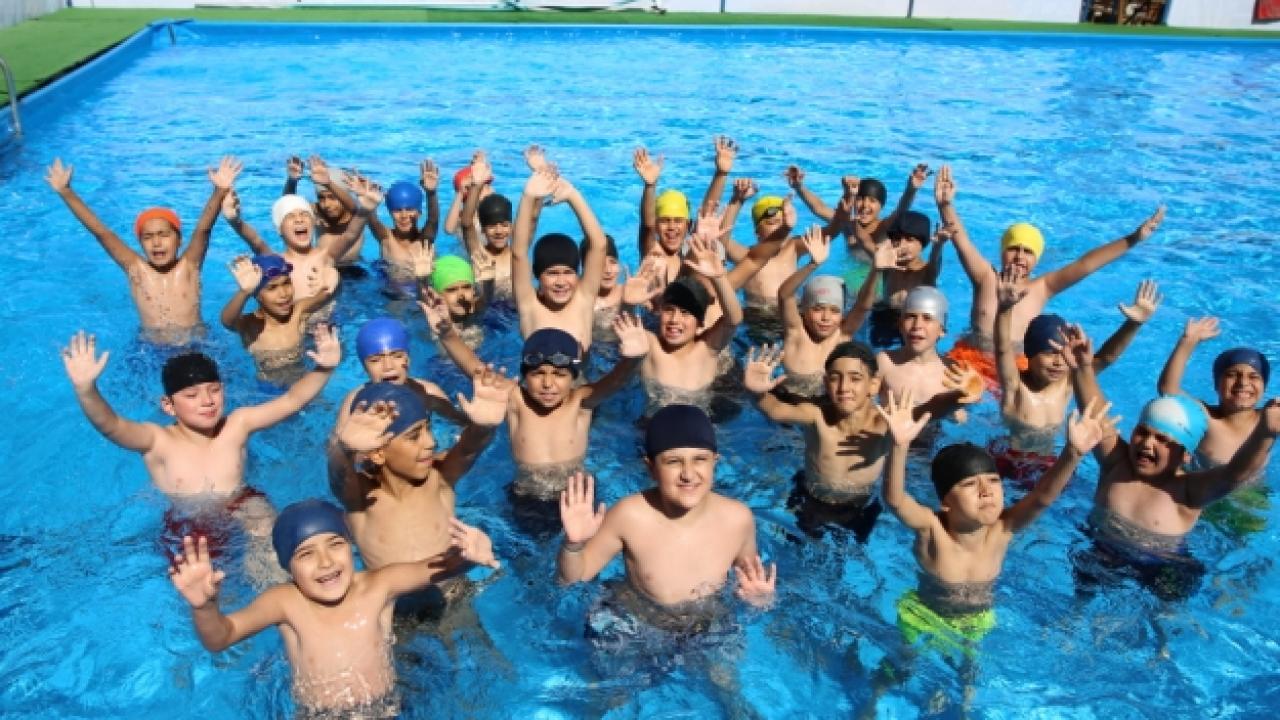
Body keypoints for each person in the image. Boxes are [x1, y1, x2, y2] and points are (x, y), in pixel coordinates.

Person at [167, 500, 497, 716]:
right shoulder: (285, 602)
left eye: (335, 545)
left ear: (351, 547)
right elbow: (221, 638)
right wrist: (205, 607)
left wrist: (467, 557)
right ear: (288, 566)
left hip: (386, 710)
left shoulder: (378, 585)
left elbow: (437, 567)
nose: (326, 562)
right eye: (306, 554)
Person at [61, 327, 340, 579]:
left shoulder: (237, 424)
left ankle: (273, 585)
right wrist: (86, 390)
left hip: (241, 503)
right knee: (202, 586)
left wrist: (324, 369)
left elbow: (291, 400)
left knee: (264, 522)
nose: (207, 401)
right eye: (191, 396)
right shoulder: (157, 441)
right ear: (168, 405)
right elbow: (111, 425)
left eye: (214, 391)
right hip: (186, 521)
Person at [877, 388, 1113, 655]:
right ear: (945, 501)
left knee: (970, 668)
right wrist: (898, 446)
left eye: (992, 481)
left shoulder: (1002, 530)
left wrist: (1072, 453)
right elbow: (895, 500)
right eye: (969, 484)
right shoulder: (932, 530)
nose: (985, 491)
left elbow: (1041, 497)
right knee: (902, 664)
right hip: (923, 614)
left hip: (976, 619)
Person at [1063, 326, 1280, 599]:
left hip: (1164, 564)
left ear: (1186, 455)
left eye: (1163, 440)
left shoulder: (1188, 491)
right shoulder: (1116, 463)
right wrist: (1082, 369)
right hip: (1104, 549)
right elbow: (1096, 414)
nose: (1147, 444)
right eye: (1143, 432)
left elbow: (1234, 475)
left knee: (1168, 605)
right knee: (1083, 590)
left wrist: (1265, 434)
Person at [421, 299, 651, 531]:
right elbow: (476, 370)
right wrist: (447, 334)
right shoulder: (516, 400)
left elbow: (615, 382)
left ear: (573, 377)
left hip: (574, 495)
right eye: (538, 373)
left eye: (559, 374)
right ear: (524, 376)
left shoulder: (580, 403)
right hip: (527, 496)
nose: (548, 383)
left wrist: (633, 359)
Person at [935, 163, 1165, 380]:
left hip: (1015, 366)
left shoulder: (1042, 288)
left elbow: (1086, 265)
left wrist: (1132, 239)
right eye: (1013, 249)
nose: (1019, 256)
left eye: (1028, 252)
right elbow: (962, 242)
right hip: (971, 358)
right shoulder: (986, 278)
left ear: (1037, 259)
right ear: (1003, 252)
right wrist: (946, 206)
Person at [557, 403, 776, 621]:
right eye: (673, 462)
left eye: (700, 459)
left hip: (707, 629)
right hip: (639, 626)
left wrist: (759, 600)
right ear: (651, 468)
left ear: (714, 462)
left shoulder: (737, 519)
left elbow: (747, 582)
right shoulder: (629, 517)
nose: (688, 474)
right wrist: (573, 545)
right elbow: (572, 581)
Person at [329, 374, 508, 607]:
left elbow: (467, 451)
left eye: (428, 429)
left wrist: (483, 428)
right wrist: (343, 451)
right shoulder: (362, 498)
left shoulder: (438, 479)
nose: (430, 442)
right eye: (414, 436)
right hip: (395, 610)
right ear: (378, 452)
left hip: (452, 595)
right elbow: (339, 478)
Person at [46, 156, 241, 343]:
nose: (156, 242)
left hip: (196, 342)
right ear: (140, 243)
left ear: (179, 240)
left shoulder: (190, 265)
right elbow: (102, 232)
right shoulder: (136, 268)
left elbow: (203, 229)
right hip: (151, 347)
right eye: (148, 237)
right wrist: (66, 192)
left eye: (163, 235)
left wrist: (219, 191)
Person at [990, 275, 1160, 483]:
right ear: (1030, 355)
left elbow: (1106, 358)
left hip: (1047, 462)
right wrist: (1004, 309)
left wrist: (1133, 324)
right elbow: (1002, 349)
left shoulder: (1067, 382)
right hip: (1010, 460)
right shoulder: (1015, 387)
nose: (1058, 362)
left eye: (1064, 354)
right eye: (1049, 353)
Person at [743, 342, 891, 542]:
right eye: (835, 378)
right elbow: (776, 410)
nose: (844, 387)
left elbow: (924, 414)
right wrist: (756, 393)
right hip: (810, 500)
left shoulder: (884, 423)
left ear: (873, 385)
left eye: (855, 378)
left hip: (858, 508)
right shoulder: (816, 415)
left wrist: (941, 402)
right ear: (825, 383)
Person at [223, 163, 379, 310]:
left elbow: (350, 235)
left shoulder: (326, 257)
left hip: (326, 325)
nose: (299, 219)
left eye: (304, 215)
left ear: (314, 222)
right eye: (291, 217)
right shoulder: (277, 262)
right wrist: (234, 220)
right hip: (293, 325)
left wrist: (365, 210)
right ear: (279, 229)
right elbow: (256, 241)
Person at [638, 224, 743, 417]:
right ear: (660, 312)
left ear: (700, 324)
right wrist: (628, 303)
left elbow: (734, 319)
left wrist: (719, 277)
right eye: (669, 310)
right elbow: (628, 329)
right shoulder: (652, 347)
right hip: (654, 427)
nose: (674, 319)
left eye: (686, 313)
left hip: (701, 426)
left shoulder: (707, 349)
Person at [773, 227, 884, 399]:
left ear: (842, 315)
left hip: (831, 403)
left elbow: (863, 305)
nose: (826, 318)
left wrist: (876, 270)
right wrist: (812, 264)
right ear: (804, 311)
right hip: (790, 400)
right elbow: (784, 295)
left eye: (834, 311)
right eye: (818, 309)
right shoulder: (796, 333)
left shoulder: (842, 335)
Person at [511, 166, 608, 351]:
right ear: (538, 276)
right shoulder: (529, 306)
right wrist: (528, 197)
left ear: (577, 275)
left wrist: (572, 195)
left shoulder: (583, 300)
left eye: (568, 272)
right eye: (552, 273)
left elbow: (599, 245)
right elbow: (518, 254)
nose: (561, 282)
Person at [331, 317, 463, 430]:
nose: (388, 366)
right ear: (365, 368)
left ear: (408, 359)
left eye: (397, 356)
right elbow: (336, 448)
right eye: (375, 360)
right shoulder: (356, 401)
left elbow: (460, 426)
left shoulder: (428, 392)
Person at [220, 255, 335, 384]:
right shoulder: (250, 325)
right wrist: (244, 292)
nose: (283, 294)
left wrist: (335, 279)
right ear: (257, 295)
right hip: (268, 389)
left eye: (286, 283)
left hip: (303, 382)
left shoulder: (298, 312)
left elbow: (329, 294)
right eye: (272, 288)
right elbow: (227, 321)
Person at [876, 286, 985, 417]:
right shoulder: (885, 363)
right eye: (911, 316)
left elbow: (961, 418)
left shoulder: (952, 372)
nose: (917, 325)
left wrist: (970, 395)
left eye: (927, 318)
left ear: (942, 330)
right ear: (900, 325)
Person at [863, 210, 947, 349]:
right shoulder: (887, 263)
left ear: (922, 243)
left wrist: (938, 246)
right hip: (885, 315)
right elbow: (865, 241)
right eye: (897, 238)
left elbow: (935, 261)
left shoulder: (926, 272)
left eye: (909, 239)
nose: (902, 244)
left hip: (914, 322)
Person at [365, 159, 441, 295]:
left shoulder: (425, 239)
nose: (404, 215)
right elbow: (373, 221)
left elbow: (433, 220)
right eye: (397, 210)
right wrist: (369, 207)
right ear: (390, 213)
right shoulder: (386, 237)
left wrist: (431, 193)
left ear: (419, 213)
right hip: (394, 295)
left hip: (425, 291)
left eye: (410, 209)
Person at [277, 155, 365, 270]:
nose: (327, 204)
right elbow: (288, 205)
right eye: (321, 198)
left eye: (332, 197)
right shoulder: (316, 211)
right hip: (322, 267)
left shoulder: (356, 213)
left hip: (352, 268)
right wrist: (292, 181)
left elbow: (354, 208)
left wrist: (328, 183)